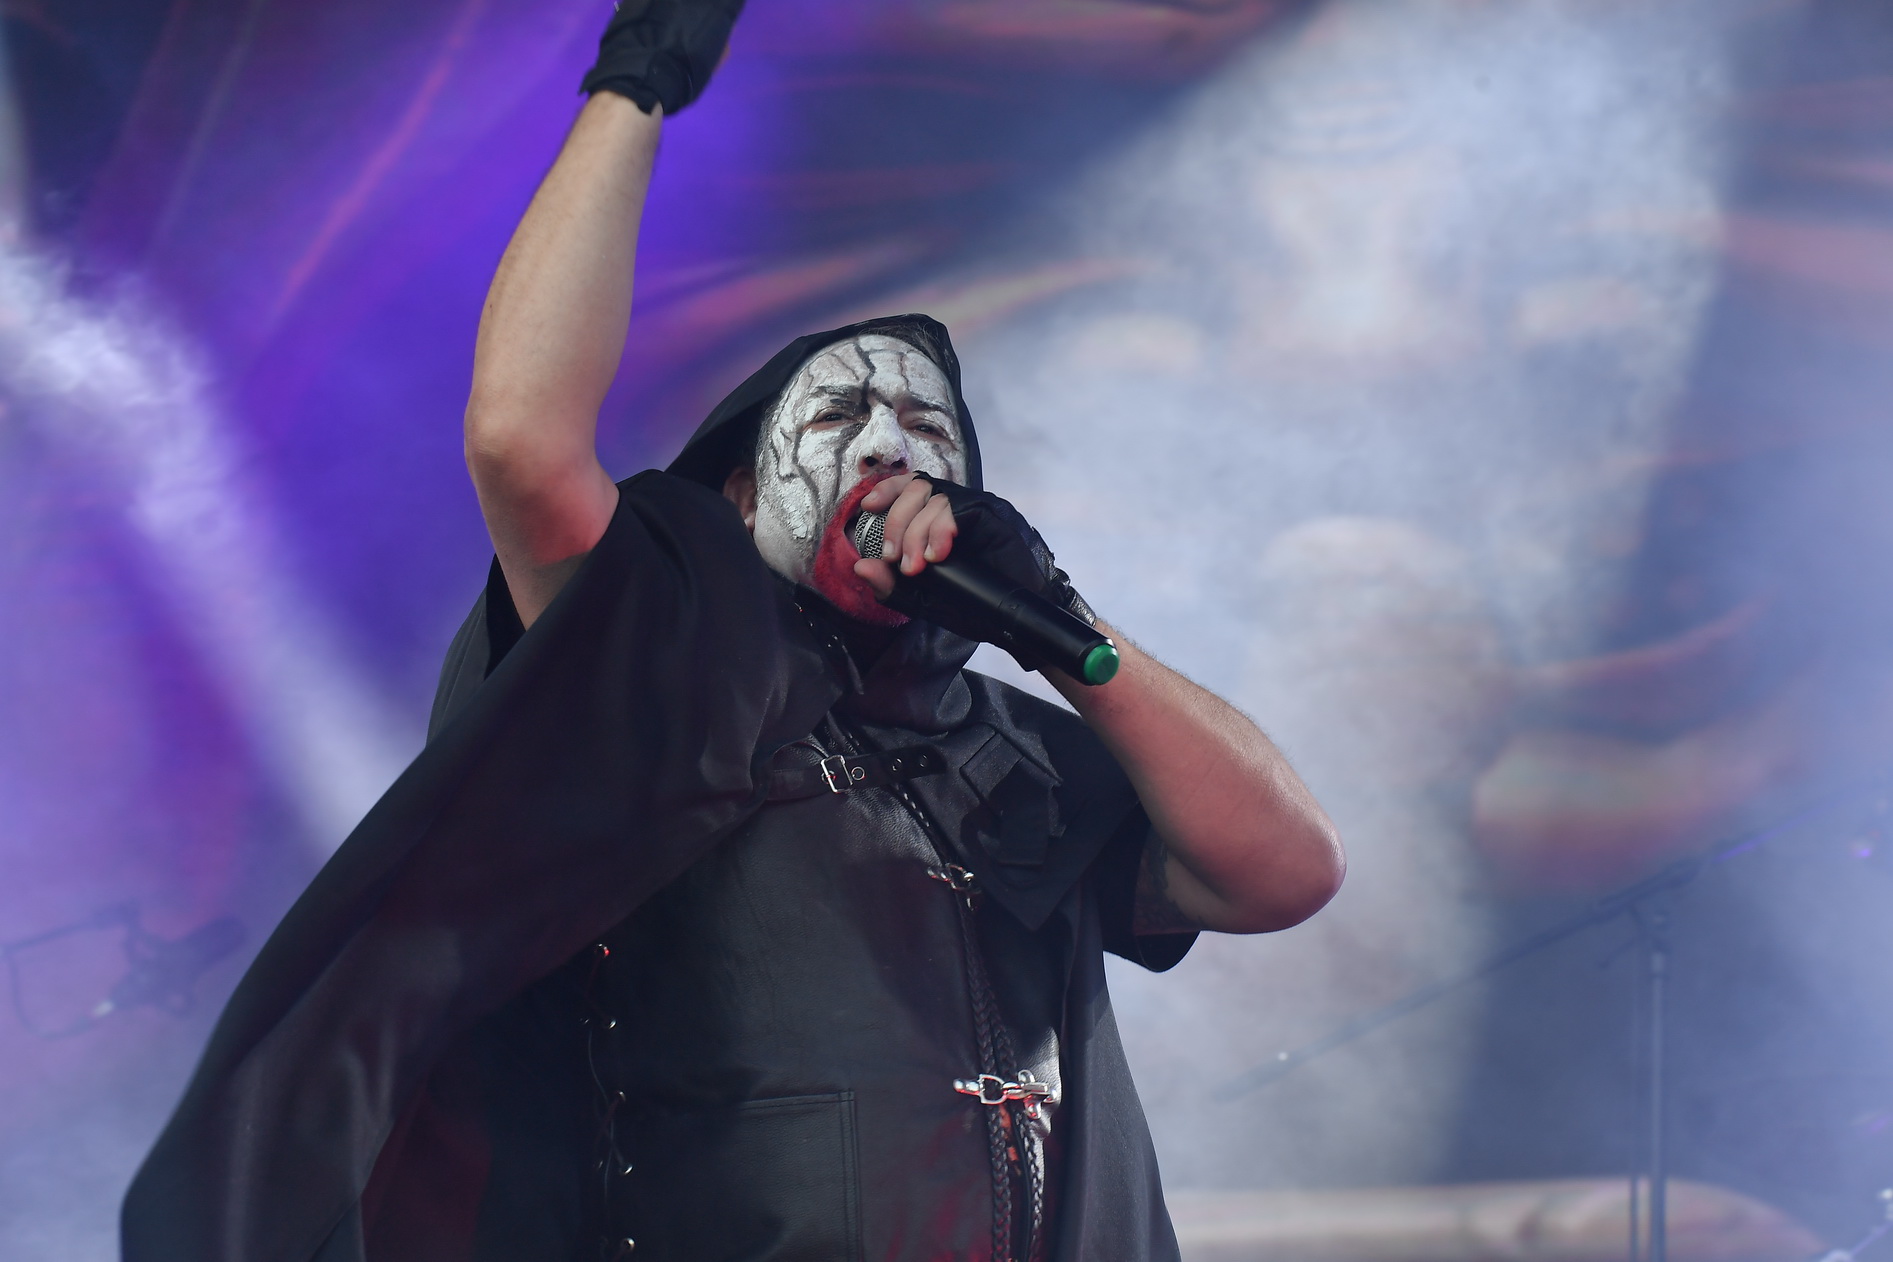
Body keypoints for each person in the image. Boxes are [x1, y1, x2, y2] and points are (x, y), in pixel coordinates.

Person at [122, 4, 1343, 1260]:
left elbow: (1287, 870)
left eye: (930, 428)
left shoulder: (1015, 746)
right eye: (842, 416)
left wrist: (1062, 625)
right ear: (742, 499)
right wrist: (639, 80)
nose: (894, 443)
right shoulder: (661, 668)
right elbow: (520, 441)